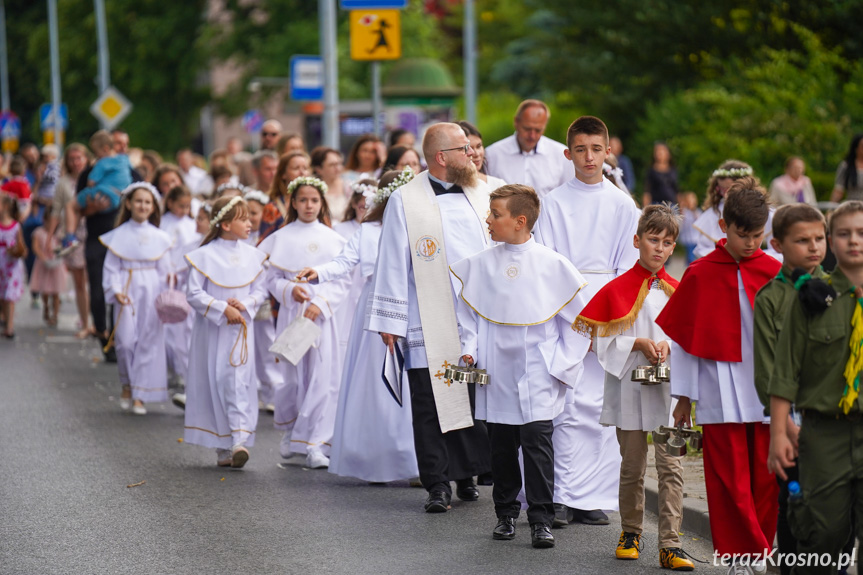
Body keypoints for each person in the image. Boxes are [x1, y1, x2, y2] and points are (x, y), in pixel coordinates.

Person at [452, 184, 589, 549]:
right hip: (497, 370)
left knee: (537, 444)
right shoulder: (480, 264)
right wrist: (469, 350)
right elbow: (468, 315)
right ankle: (506, 514)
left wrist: (560, 365)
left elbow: (580, 324)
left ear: (520, 221)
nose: (489, 220)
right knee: (501, 447)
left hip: (537, 371)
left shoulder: (553, 265)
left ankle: (541, 518)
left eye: (496, 214)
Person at [657, 179, 781, 574]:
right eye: (742, 235)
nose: (750, 244)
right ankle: (741, 555)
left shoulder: (777, 271)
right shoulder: (700, 272)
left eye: (758, 236)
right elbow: (687, 342)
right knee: (728, 480)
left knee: (766, 479)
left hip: (767, 390)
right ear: (723, 226)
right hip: (719, 387)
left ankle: (757, 551)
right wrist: (682, 399)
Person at [367, 122, 492, 513]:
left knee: (470, 395)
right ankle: (437, 483)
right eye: (463, 149)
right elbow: (391, 260)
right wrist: (391, 321)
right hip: (427, 316)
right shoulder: (407, 200)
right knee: (430, 401)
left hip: (475, 316)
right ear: (441, 157)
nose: (472, 154)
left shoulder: (483, 192)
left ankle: (467, 473)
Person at [534, 115, 641, 527]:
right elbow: (547, 262)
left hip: (609, 314)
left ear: (608, 151)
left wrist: (609, 313)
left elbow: (628, 266)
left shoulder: (621, 204)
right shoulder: (553, 203)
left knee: (600, 407)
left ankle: (590, 497)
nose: (589, 157)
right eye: (580, 149)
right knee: (565, 406)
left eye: (596, 149)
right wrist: (576, 311)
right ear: (568, 154)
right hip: (565, 312)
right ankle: (557, 495)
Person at [575, 204, 694, 570]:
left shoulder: (680, 291)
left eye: (667, 242)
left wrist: (670, 349)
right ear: (637, 240)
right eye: (652, 239)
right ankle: (630, 532)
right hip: (630, 387)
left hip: (669, 392)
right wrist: (638, 343)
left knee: (671, 468)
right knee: (632, 466)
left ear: (674, 248)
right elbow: (602, 344)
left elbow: (691, 345)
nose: (659, 248)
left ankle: (671, 544)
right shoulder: (617, 289)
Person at [298, 168, 419, 483]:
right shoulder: (368, 231)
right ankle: (375, 459)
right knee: (375, 383)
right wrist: (319, 272)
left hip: (411, 306)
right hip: (374, 306)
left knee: (411, 381)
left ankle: (416, 459)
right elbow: (344, 261)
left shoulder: (421, 228)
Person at [768, 201, 863, 575]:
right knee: (822, 536)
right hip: (825, 434)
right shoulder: (811, 301)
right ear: (831, 243)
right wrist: (779, 433)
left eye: (861, 233)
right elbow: (785, 371)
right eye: (844, 233)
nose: (854, 241)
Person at [753, 203, 827, 575]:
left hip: (837, 422)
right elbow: (767, 372)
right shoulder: (771, 298)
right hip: (794, 423)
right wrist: (785, 425)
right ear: (778, 244)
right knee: (794, 505)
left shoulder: (841, 292)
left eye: (819, 238)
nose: (814, 247)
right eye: (802, 241)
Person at [259, 176, 349, 469]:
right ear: (293, 203)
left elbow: (343, 278)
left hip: (322, 317)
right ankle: (291, 432)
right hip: (292, 313)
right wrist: (288, 290)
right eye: (302, 200)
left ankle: (316, 443)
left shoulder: (334, 239)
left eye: (314, 200)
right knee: (292, 376)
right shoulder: (281, 237)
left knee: (323, 377)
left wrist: (320, 303)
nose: (308, 205)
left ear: (321, 203)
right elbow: (270, 277)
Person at [183, 195, 268, 469]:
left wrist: (244, 305)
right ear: (226, 224)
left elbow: (260, 290)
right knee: (215, 380)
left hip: (242, 327)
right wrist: (222, 308)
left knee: (237, 380)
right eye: (243, 219)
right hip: (213, 332)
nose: (250, 222)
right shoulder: (203, 256)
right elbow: (194, 293)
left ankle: (238, 440)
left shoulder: (254, 256)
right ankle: (223, 444)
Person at [101, 182, 172, 415]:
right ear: (129, 204)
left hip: (152, 288)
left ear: (153, 207)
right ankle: (127, 383)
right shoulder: (118, 235)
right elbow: (111, 268)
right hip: (127, 288)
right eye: (138, 201)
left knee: (148, 341)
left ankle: (140, 393)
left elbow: (165, 270)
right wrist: (115, 289)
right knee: (124, 342)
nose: (143, 206)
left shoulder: (160, 237)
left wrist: (168, 291)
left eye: (147, 202)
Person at [242, 188, 283, 413]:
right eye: (245, 214)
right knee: (250, 347)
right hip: (245, 300)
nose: (250, 218)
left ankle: (273, 392)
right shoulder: (241, 239)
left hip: (266, 300)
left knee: (268, 345)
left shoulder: (269, 239)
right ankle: (255, 391)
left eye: (254, 213)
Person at [693, 160, 779, 261]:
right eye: (721, 189)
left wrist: (756, 258)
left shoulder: (762, 209)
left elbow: (777, 250)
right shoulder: (713, 213)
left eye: (729, 189)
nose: (725, 195)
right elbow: (702, 249)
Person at [47, 143, 91, 338]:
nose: (76, 162)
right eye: (72, 159)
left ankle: (97, 319)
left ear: (86, 158)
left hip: (93, 231)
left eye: (79, 158)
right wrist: (50, 236)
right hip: (72, 235)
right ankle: (85, 321)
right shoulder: (63, 183)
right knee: (79, 280)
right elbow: (56, 210)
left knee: (96, 279)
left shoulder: (94, 178)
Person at [484, 99, 572, 197]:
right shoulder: (492, 154)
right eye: (527, 129)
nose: (532, 136)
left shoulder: (561, 154)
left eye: (538, 130)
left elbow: (569, 194)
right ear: (516, 122)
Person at [160, 185, 199, 393]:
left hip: (183, 276)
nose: (184, 210)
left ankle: (183, 370)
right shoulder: (164, 223)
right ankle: (172, 368)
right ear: (170, 203)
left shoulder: (191, 224)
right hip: (169, 274)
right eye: (180, 206)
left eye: (187, 206)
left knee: (184, 328)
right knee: (170, 327)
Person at [75, 130, 132, 215]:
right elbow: (80, 212)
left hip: (121, 222)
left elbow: (90, 183)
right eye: (118, 143)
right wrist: (92, 208)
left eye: (126, 144)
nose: (123, 147)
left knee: (71, 205)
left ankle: (70, 228)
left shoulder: (101, 164)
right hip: (99, 223)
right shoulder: (125, 161)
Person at [261, 151, 312, 239]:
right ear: (283, 174)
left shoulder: (318, 204)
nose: (302, 172)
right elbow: (265, 242)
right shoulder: (273, 208)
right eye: (296, 168)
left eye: (305, 168)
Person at [30, 213, 67, 327]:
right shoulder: (38, 232)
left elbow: (65, 245)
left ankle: (55, 315)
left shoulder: (60, 233)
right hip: (44, 264)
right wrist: (44, 258)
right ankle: (46, 306)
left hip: (57, 264)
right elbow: (35, 247)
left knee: (56, 292)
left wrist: (60, 254)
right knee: (45, 291)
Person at [0, 193, 25, 338]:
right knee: (2, 294)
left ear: (6, 207)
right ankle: (4, 317)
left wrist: (15, 250)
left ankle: (10, 326)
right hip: (1, 265)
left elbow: (21, 246)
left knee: (9, 294)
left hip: (11, 266)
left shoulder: (16, 227)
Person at [457, 121, 507, 190]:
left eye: (479, 146)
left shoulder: (498, 185)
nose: (476, 154)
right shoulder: (446, 188)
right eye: (468, 148)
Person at [311, 147, 348, 222]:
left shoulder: (348, 186)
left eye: (339, 164)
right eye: (332, 165)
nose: (338, 168)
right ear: (319, 169)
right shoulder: (312, 189)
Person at [831, 134, 863, 202]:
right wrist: (830, 209)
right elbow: (838, 191)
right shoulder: (846, 166)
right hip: (853, 207)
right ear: (856, 148)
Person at [1, 156, 32, 222]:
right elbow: (27, 200)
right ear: (24, 171)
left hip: (8, 215)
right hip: (20, 213)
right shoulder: (25, 184)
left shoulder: (7, 183)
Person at [677, 191, 701, 266]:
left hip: (695, 237)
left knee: (693, 252)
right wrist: (682, 207)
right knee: (690, 251)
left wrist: (693, 210)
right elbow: (681, 220)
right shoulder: (685, 212)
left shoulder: (697, 211)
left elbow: (699, 220)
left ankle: (690, 262)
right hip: (688, 237)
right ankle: (690, 263)